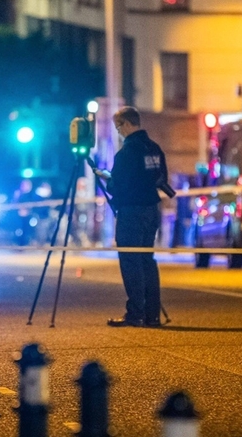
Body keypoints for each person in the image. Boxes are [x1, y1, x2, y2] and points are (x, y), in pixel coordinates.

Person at [97, 106, 168, 327]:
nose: (118, 132)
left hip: (131, 212)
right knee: (147, 259)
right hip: (151, 210)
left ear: (127, 124)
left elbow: (118, 186)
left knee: (130, 261)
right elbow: (161, 178)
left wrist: (107, 179)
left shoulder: (127, 153)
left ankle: (135, 313)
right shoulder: (154, 148)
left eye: (118, 127)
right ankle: (152, 314)